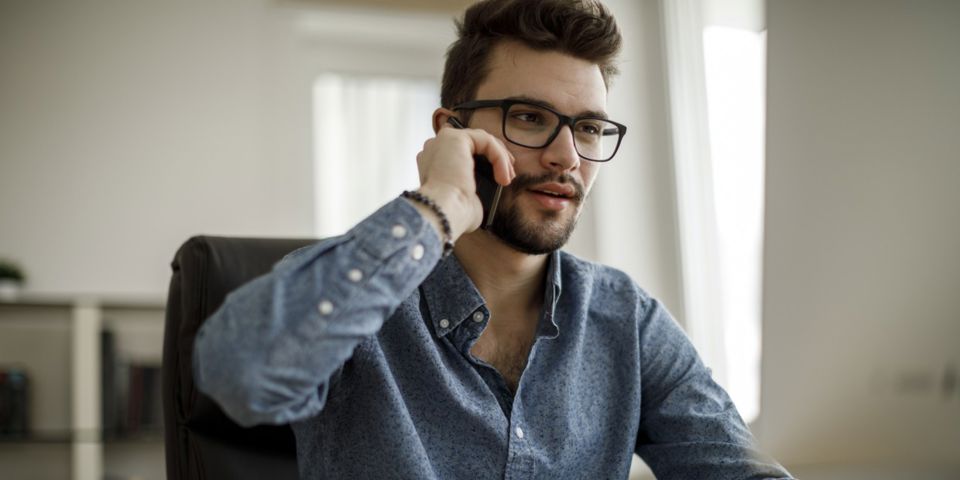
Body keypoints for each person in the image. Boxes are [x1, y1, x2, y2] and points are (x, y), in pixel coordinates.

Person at [194, 0, 793, 478]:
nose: (567, 157)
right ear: (453, 131)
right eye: (529, 118)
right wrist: (442, 205)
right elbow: (240, 373)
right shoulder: (354, 300)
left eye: (588, 128)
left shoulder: (627, 321)